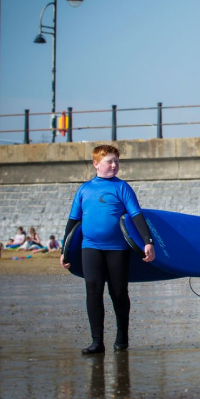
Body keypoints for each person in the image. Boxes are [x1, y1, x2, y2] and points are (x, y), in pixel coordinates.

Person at [60, 144, 157, 354]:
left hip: (117, 248)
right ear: (96, 164)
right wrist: (64, 250)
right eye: (109, 161)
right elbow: (73, 222)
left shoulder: (121, 187)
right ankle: (97, 341)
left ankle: (122, 336)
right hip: (90, 247)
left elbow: (136, 215)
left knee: (119, 292)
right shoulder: (84, 189)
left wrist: (148, 241)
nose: (114, 165)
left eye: (116, 161)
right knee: (93, 291)